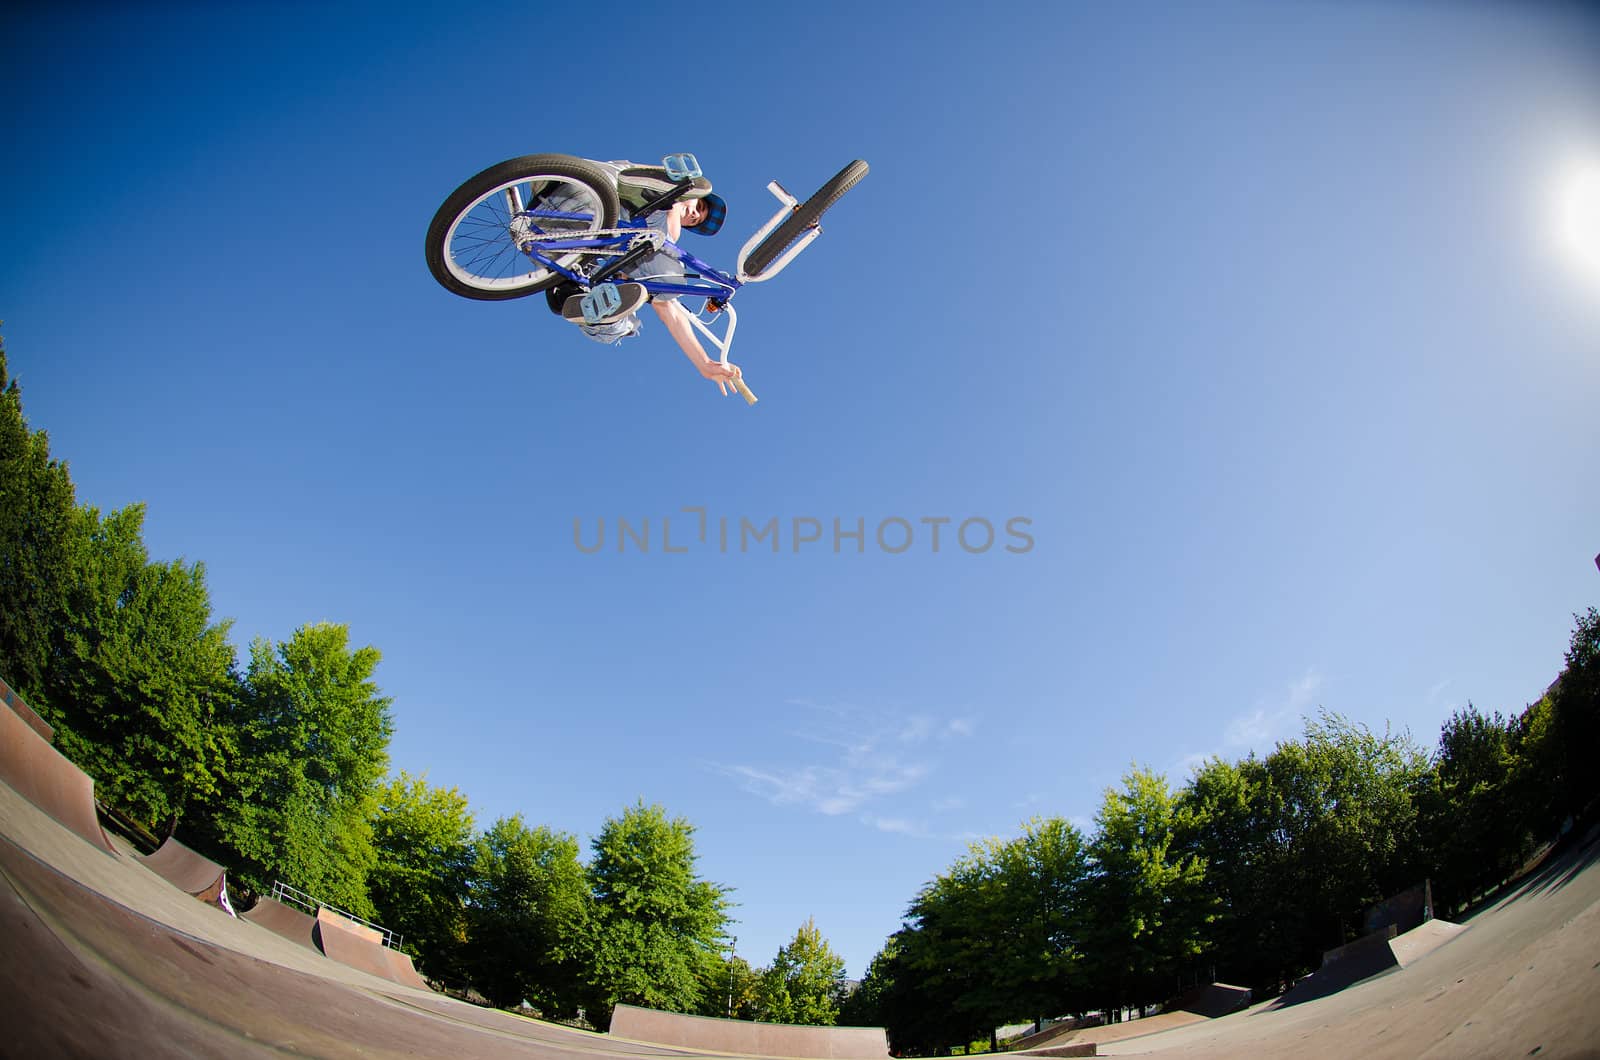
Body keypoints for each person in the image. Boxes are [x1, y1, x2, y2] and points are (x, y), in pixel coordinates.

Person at [553, 160, 744, 396]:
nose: (694, 214)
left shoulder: (644, 242)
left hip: (554, 230)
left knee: (619, 325)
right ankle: (670, 190)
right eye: (699, 207)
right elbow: (668, 304)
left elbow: (668, 310)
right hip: (589, 196)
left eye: (695, 220)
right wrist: (676, 200)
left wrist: (703, 364)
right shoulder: (665, 224)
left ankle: (575, 294)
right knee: (667, 266)